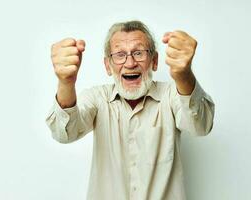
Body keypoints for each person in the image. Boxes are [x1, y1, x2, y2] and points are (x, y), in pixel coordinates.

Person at [46, 20, 215, 200]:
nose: (130, 62)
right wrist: (66, 83)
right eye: (120, 55)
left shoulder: (172, 95)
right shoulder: (97, 98)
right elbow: (64, 133)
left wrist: (184, 75)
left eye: (139, 53)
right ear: (107, 65)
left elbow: (201, 126)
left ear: (155, 61)